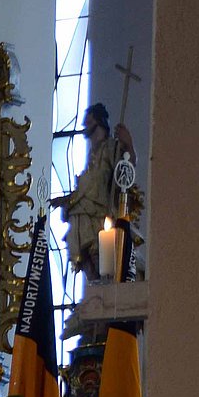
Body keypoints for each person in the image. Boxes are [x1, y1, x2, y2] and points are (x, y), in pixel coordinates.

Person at [52, 102, 133, 271]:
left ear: (99, 123)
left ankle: (99, 276)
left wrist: (128, 143)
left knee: (96, 248)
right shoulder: (91, 153)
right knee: (80, 244)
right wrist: (66, 199)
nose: (84, 126)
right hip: (85, 208)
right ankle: (92, 279)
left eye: (88, 123)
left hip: (100, 208)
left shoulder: (111, 146)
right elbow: (86, 187)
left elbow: (126, 168)